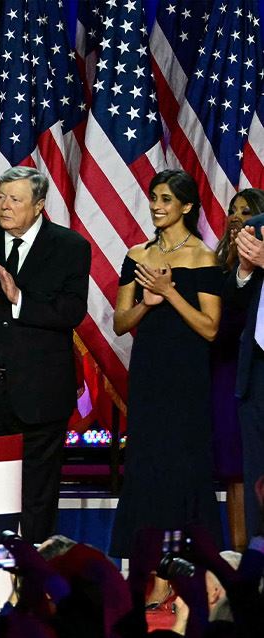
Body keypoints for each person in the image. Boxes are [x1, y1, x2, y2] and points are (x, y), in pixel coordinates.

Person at [0, 166, 91, 542]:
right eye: (1, 197)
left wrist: (19, 298)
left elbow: (71, 312)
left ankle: (35, 579)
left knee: (37, 495)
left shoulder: (70, 247)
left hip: (40, 393)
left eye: (16, 199)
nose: (4, 206)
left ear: (39, 205)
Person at [109, 169, 222, 557]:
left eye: (166, 200)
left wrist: (170, 293)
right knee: (147, 462)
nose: (156, 207)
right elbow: (121, 323)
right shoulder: (137, 255)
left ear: (186, 206)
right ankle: (150, 562)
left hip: (186, 376)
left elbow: (209, 328)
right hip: (149, 372)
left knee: (182, 464)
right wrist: (147, 302)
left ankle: (187, 561)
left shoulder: (204, 257)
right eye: (154, 198)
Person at [212, 189, 264, 512]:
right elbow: (233, 302)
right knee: (254, 472)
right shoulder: (256, 229)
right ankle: (257, 555)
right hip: (256, 371)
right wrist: (245, 270)